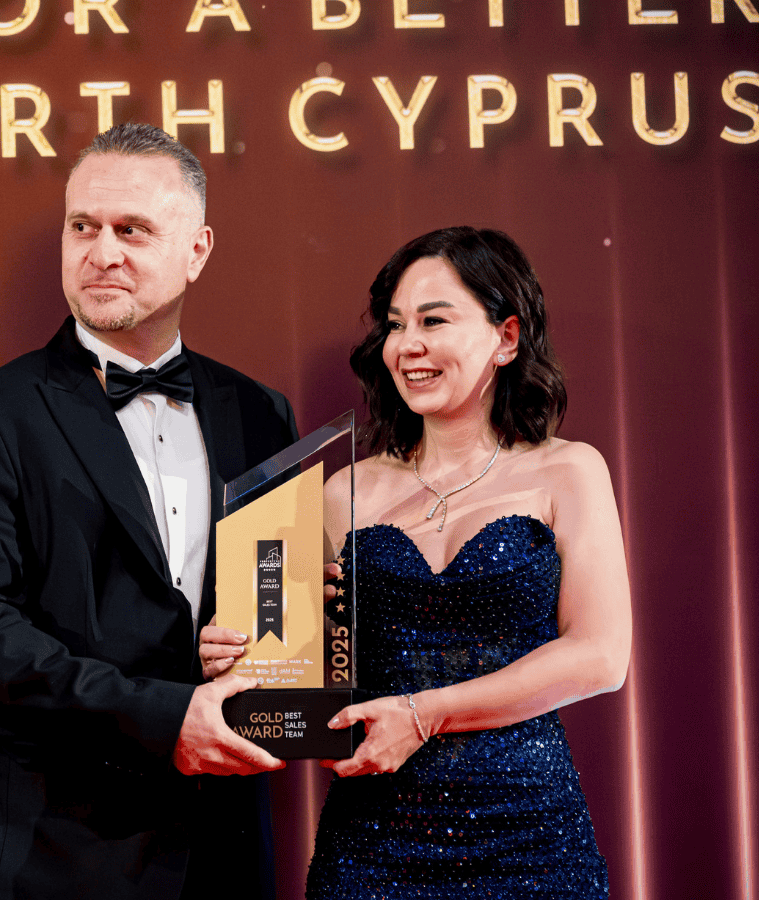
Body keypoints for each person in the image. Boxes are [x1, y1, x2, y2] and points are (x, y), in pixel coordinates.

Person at [0, 122, 298, 900]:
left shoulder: (262, 411)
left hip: (219, 851)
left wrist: (284, 626)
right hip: (46, 853)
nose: (102, 252)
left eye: (133, 230)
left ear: (197, 250)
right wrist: (165, 715)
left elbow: (275, 612)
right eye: (83, 227)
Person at [201, 227, 632, 897]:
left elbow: (600, 656)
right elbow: (296, 684)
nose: (407, 345)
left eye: (434, 321)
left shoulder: (569, 471)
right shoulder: (341, 491)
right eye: (396, 325)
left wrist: (426, 713)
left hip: (533, 838)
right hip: (373, 844)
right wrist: (241, 657)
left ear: (507, 337)